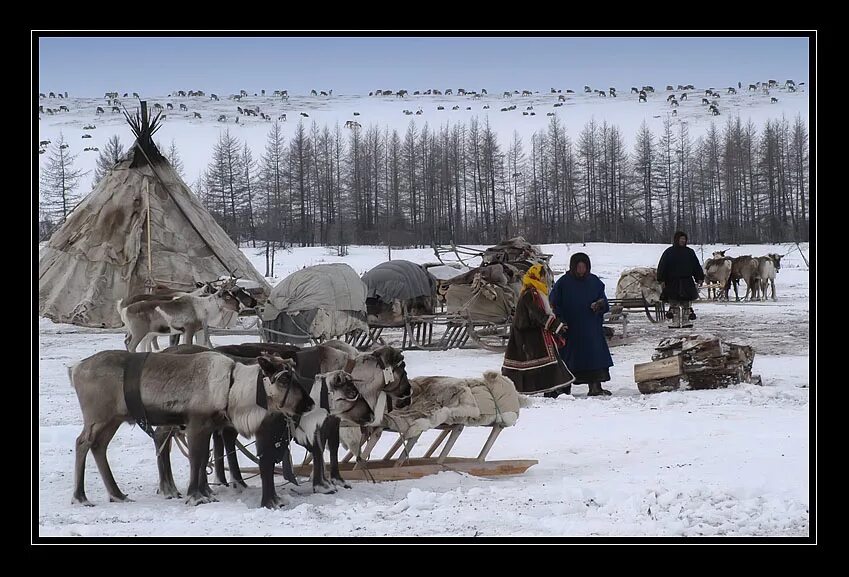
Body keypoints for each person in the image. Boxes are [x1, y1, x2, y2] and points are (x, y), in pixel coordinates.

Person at [502, 263, 574, 395]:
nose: (545, 279)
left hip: (535, 333)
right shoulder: (531, 294)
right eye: (543, 276)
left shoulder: (537, 292)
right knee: (543, 361)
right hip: (528, 335)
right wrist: (556, 326)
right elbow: (537, 315)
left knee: (547, 361)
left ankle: (555, 388)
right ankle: (553, 388)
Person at [549, 253, 614, 397]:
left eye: (584, 266)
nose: (581, 269)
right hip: (571, 328)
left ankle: (595, 386)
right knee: (569, 359)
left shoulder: (594, 281)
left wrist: (600, 304)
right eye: (578, 267)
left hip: (591, 327)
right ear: (573, 267)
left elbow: (603, 300)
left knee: (595, 356)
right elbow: (554, 302)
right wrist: (560, 320)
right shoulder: (563, 282)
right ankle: (564, 388)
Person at [656, 231, 705, 321]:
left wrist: (699, 277)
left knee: (686, 304)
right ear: (676, 239)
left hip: (687, 282)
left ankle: (686, 321)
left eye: (684, 239)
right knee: (674, 303)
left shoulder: (689, 252)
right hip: (672, 282)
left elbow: (695, 266)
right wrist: (661, 279)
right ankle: (675, 321)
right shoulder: (669, 252)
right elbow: (662, 266)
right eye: (681, 239)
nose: (682, 241)